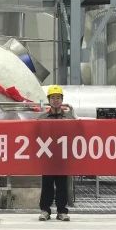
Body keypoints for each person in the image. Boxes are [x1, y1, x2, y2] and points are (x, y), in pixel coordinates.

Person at [39, 85, 75, 222]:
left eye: (58, 98)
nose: (56, 100)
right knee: (47, 184)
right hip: (47, 156)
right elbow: (35, 135)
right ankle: (45, 210)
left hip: (63, 157)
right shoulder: (42, 118)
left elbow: (77, 133)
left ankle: (62, 211)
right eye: (53, 98)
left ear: (62, 100)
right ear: (49, 100)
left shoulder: (69, 117)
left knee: (62, 185)